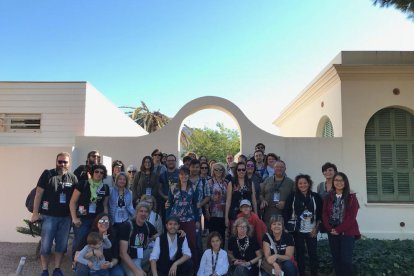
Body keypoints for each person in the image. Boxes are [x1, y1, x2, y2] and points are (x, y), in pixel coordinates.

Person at [31, 152, 78, 276]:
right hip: (48, 217)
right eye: (60, 161)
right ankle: (45, 270)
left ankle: (57, 269)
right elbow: (38, 194)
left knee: (61, 246)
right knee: (46, 246)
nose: (62, 164)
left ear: (69, 163)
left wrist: (74, 217)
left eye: (65, 162)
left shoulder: (73, 178)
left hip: (66, 218)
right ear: (56, 162)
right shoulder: (47, 174)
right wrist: (35, 213)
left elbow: (76, 199)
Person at [283, 174, 322, 276]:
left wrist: (316, 229)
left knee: (313, 255)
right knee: (300, 255)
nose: (302, 185)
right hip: (297, 231)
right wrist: (287, 228)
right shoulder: (292, 197)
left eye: (305, 183)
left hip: (312, 231)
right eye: (300, 183)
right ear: (297, 185)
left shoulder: (316, 197)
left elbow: (320, 215)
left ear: (309, 184)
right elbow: (286, 213)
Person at [322, 172, 360, 276]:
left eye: (341, 180)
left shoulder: (351, 197)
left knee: (346, 261)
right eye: (336, 180)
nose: (339, 182)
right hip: (332, 232)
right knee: (336, 261)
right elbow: (324, 213)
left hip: (347, 232)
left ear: (345, 182)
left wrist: (339, 229)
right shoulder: (328, 196)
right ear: (333, 182)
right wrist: (330, 229)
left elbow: (351, 217)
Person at [70, 164, 110, 260]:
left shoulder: (105, 187)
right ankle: (75, 263)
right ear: (92, 173)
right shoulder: (83, 184)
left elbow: (105, 205)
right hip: (82, 219)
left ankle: (91, 262)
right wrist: (74, 218)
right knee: (79, 241)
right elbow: (72, 202)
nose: (99, 174)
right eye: (96, 171)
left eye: (101, 172)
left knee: (97, 241)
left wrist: (106, 221)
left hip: (98, 220)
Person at [166, 166, 200, 269]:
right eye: (181, 174)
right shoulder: (173, 187)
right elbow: (169, 204)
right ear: (179, 175)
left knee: (191, 243)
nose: (184, 176)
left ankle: (193, 267)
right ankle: (177, 267)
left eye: (186, 174)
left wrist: (197, 220)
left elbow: (196, 205)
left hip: (189, 219)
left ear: (188, 175)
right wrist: (167, 219)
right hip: (175, 221)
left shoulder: (193, 187)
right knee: (176, 244)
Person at [119, 202, 158, 276]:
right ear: (136, 212)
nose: (143, 214)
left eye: (146, 212)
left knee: (158, 250)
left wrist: (178, 231)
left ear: (149, 214)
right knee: (137, 274)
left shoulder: (147, 225)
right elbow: (122, 253)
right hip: (129, 259)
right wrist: (136, 271)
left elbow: (159, 236)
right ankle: (140, 270)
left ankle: (150, 271)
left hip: (141, 256)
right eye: (141, 211)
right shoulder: (127, 226)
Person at [260, 160, 294, 224]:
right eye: (277, 167)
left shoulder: (291, 182)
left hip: (284, 217)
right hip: (268, 216)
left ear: (285, 169)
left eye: (281, 167)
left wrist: (286, 203)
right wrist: (262, 200)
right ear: (273, 168)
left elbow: (295, 198)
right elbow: (260, 194)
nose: (279, 169)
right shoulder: (267, 180)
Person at [225, 162, 258, 229]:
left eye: (243, 169)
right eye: (239, 169)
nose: (241, 171)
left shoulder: (250, 183)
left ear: (246, 171)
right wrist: (226, 217)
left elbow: (254, 200)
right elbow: (228, 201)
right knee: (235, 235)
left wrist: (256, 214)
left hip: (248, 214)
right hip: (234, 214)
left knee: (249, 234)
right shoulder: (231, 183)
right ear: (236, 171)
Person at [205, 162, 228, 245]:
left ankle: (221, 254)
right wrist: (207, 211)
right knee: (213, 235)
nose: (218, 171)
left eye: (220, 169)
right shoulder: (209, 182)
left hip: (223, 212)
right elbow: (206, 197)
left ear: (223, 171)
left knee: (222, 235)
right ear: (213, 171)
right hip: (212, 212)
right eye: (216, 169)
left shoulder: (226, 182)